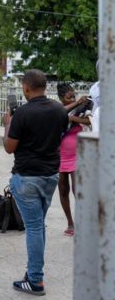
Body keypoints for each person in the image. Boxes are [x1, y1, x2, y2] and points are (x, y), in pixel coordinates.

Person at [3, 69, 68, 296]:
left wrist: (7, 124)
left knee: (34, 227)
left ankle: (35, 279)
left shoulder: (22, 113)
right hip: (51, 175)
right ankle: (33, 274)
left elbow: (9, 148)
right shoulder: (60, 110)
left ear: (26, 87)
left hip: (27, 177)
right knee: (39, 225)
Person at [56, 83, 92, 237]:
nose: (73, 98)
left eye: (74, 96)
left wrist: (73, 117)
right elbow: (60, 115)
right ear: (60, 98)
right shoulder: (57, 109)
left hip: (76, 154)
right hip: (59, 155)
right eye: (68, 97)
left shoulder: (81, 109)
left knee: (78, 189)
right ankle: (70, 222)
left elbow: (89, 121)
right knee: (63, 190)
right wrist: (75, 106)